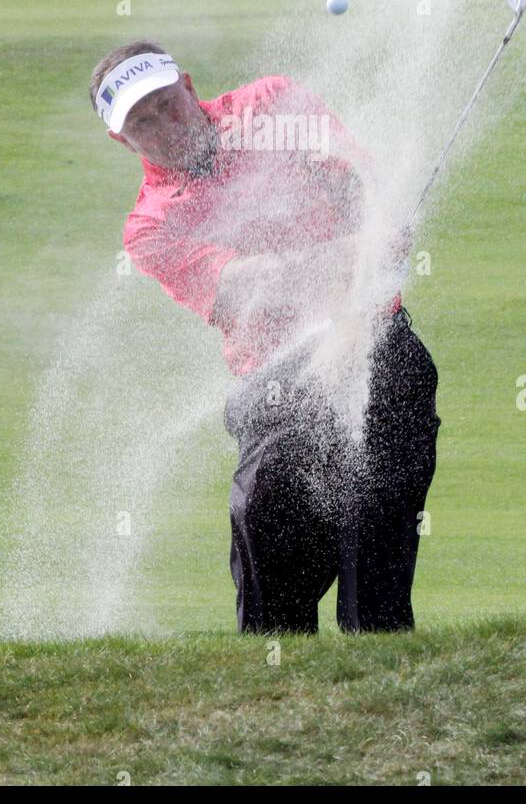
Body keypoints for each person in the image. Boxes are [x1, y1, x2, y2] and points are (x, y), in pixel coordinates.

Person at [90, 40, 441, 634]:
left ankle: (380, 693)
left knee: (375, 562)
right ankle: (270, 706)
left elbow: (358, 179)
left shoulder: (273, 104)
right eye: (140, 122)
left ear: (190, 88)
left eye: (165, 103)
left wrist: (382, 227)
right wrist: (358, 253)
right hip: (279, 381)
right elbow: (250, 286)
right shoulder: (151, 227)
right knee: (263, 528)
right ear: (122, 141)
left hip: (380, 343)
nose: (161, 125)